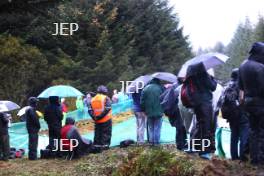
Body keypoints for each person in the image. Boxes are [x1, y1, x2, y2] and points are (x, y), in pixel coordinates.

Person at [238, 42, 264, 165]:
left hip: (248, 102)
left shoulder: (242, 65)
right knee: (261, 131)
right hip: (260, 103)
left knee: (254, 131)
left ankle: (254, 159)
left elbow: (240, 86)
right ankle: (260, 159)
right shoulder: (260, 67)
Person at [185, 62, 217, 158]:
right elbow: (213, 87)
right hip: (205, 103)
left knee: (199, 125)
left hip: (195, 102)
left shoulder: (191, 75)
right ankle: (204, 151)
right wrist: (211, 78)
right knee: (206, 127)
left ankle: (191, 146)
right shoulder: (203, 74)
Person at [220, 69, 249, 161]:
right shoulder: (240, 85)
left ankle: (234, 157)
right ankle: (242, 157)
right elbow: (242, 99)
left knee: (234, 136)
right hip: (241, 114)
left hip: (230, 115)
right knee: (244, 135)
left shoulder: (227, 86)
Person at [140, 78, 164, 145]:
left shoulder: (145, 89)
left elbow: (142, 101)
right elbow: (164, 99)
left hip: (148, 112)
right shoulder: (160, 88)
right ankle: (156, 143)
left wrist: (143, 110)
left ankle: (151, 142)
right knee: (157, 128)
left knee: (151, 128)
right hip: (159, 111)